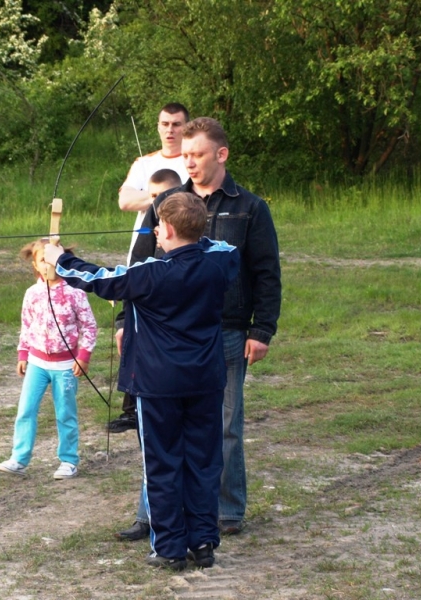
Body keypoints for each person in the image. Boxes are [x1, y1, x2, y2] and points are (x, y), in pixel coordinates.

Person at [44, 192, 240, 570]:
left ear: (169, 230)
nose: (155, 232)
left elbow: (98, 279)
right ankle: (202, 543)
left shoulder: (149, 275)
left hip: (158, 386)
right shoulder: (220, 261)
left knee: (162, 465)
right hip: (205, 380)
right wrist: (192, 232)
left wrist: (59, 259)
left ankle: (168, 548)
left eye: (159, 226)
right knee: (203, 461)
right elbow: (221, 245)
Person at [125, 116, 282, 536]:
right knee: (161, 429)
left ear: (221, 154)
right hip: (163, 334)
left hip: (227, 331)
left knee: (225, 426)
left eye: (197, 154)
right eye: (186, 155)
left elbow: (266, 272)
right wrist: (125, 320)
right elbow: (139, 265)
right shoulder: (167, 202)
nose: (189, 162)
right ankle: (152, 516)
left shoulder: (250, 208)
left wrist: (261, 330)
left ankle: (225, 511)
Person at [107, 102, 190, 435]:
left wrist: (161, 195)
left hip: (177, 252)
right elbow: (125, 201)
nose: (170, 130)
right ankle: (131, 408)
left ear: (186, 127)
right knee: (133, 328)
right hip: (141, 252)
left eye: (177, 124)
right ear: (158, 126)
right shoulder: (144, 163)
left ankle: (172, 400)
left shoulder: (191, 161)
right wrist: (165, 197)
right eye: (165, 123)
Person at [0, 238, 97, 480]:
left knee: (65, 413)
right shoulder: (32, 293)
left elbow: (89, 327)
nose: (48, 264)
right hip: (37, 364)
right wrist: (23, 353)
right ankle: (19, 458)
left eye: (53, 259)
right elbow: (27, 325)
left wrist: (83, 356)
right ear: (35, 265)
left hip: (65, 366)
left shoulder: (75, 292)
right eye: (43, 260)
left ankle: (68, 461)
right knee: (26, 410)